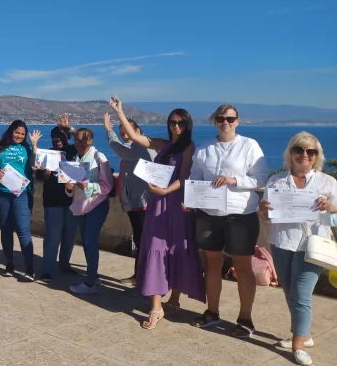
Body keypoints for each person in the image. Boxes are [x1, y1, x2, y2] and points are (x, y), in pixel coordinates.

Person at [110, 97, 205, 327]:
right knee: (155, 247)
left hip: (176, 204)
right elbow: (134, 137)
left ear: (187, 125)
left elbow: (184, 177)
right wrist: (119, 112)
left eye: (181, 123)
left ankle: (174, 298)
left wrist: (165, 191)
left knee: (177, 249)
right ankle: (155, 307)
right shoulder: (164, 145)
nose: (176, 127)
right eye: (172, 122)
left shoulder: (189, 147)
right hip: (158, 203)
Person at [189, 104, 269, 337]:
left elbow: (262, 179)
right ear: (214, 120)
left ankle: (245, 319)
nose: (226, 122)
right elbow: (195, 177)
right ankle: (212, 312)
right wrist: (191, 197)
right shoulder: (204, 148)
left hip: (240, 215)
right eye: (221, 118)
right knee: (211, 264)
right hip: (208, 214)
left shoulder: (249, 146)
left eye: (230, 118)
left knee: (243, 267)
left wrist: (234, 180)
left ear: (238, 121)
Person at [259, 132, 337, 366]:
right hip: (282, 241)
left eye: (310, 151)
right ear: (290, 153)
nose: (304, 155)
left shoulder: (327, 182)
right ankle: (305, 334)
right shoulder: (276, 182)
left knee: (302, 295)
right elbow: (264, 218)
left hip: (312, 245)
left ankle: (298, 345)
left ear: (316, 156)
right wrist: (263, 210)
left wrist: (331, 208)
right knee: (290, 292)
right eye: (299, 150)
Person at [103, 113, 157, 286]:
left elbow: (120, 150)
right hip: (134, 202)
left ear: (138, 131)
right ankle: (141, 276)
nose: (124, 134)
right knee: (140, 239)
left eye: (127, 130)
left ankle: (142, 278)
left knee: (142, 240)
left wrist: (109, 130)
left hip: (142, 203)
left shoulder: (140, 147)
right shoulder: (136, 147)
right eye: (122, 132)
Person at [61, 127, 113, 295]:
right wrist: (69, 188)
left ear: (90, 140)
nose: (79, 143)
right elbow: (71, 190)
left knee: (90, 242)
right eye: (77, 140)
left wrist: (88, 185)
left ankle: (90, 282)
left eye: (83, 140)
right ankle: (92, 277)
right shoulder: (76, 158)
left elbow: (107, 186)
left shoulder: (99, 157)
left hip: (96, 206)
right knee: (86, 243)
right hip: (81, 206)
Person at [0, 120, 42, 282]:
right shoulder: (0, 146)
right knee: (6, 229)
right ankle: (9, 264)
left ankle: (29, 268)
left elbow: (35, 163)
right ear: (11, 131)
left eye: (22, 134)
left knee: (23, 230)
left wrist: (34, 145)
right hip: (2, 193)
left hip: (22, 193)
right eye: (17, 132)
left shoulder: (27, 148)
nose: (19, 136)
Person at [37, 126, 78, 282]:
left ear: (68, 137)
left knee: (70, 236)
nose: (58, 140)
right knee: (52, 237)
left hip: (73, 201)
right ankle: (47, 269)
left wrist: (71, 130)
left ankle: (65, 264)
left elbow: (84, 140)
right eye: (55, 137)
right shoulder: (46, 154)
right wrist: (45, 174)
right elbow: (40, 178)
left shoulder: (74, 151)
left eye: (62, 137)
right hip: (52, 201)